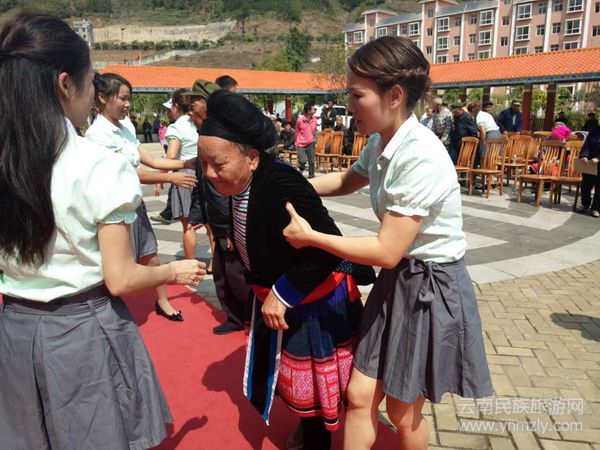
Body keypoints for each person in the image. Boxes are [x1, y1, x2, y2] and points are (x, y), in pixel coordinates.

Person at [0, 13, 205, 450]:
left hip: (14, 329)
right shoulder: (97, 165)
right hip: (80, 331)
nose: (93, 92)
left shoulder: (8, 160)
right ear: (65, 83)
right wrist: (174, 271)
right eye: (91, 80)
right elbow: (122, 278)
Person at [282, 36, 493, 450]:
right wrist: (287, 188)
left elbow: (386, 251)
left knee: (402, 409)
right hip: (398, 280)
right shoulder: (382, 142)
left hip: (430, 286)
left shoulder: (419, 155)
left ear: (394, 96)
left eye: (356, 95)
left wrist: (311, 237)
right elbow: (347, 180)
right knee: (360, 395)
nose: (349, 105)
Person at [199, 90, 367, 449]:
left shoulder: (282, 185)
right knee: (294, 379)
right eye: (203, 164)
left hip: (313, 298)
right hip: (277, 296)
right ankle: (309, 426)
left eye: (218, 164)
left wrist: (283, 292)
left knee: (315, 387)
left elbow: (326, 250)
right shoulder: (240, 180)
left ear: (252, 158)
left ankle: (317, 437)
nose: (210, 174)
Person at [86, 73, 197, 322]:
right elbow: (129, 173)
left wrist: (185, 163)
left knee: (151, 255)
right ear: (102, 98)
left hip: (134, 205)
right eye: (123, 99)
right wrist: (171, 178)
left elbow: (151, 159)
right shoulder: (97, 135)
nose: (128, 104)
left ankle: (163, 301)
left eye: (129, 99)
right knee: (113, 264)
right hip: (112, 209)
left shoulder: (125, 127)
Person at [578, 125, 600, 217]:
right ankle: (585, 204)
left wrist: (598, 158)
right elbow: (587, 145)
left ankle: (596, 208)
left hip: (598, 161)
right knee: (585, 185)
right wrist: (584, 155)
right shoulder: (594, 130)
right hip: (591, 163)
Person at [295, 102, 318, 178]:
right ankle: (300, 170)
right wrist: (296, 141)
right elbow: (296, 131)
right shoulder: (300, 120)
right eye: (313, 109)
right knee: (302, 161)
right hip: (301, 144)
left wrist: (315, 140)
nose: (315, 110)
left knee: (312, 161)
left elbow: (314, 131)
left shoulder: (314, 120)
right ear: (308, 111)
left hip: (311, 143)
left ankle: (311, 176)